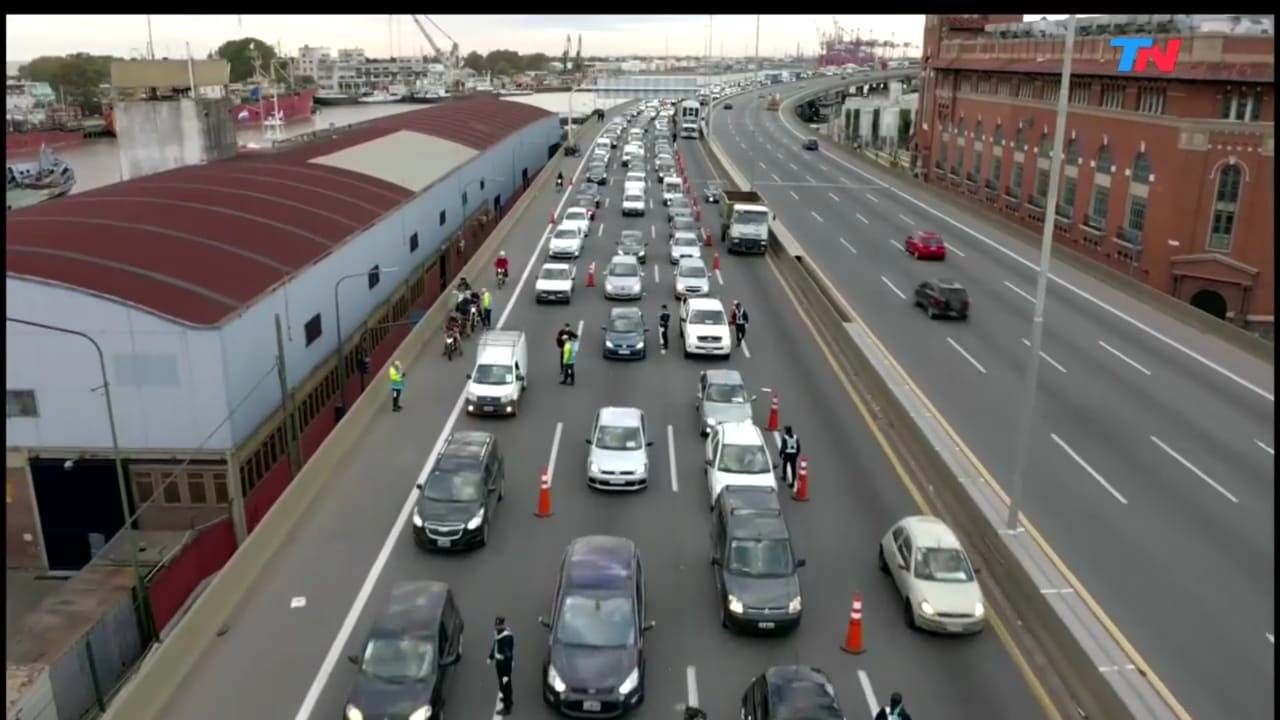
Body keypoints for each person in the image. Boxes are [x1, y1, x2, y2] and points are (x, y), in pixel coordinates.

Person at [488, 616, 515, 715]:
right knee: (502, 683)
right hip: (499, 663)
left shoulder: (507, 637)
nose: (496, 627)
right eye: (496, 625)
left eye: (498, 626)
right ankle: (505, 697)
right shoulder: (498, 634)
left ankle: (507, 707)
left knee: (506, 684)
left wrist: (506, 667)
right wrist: (491, 657)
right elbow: (495, 646)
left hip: (505, 665)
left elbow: (508, 654)